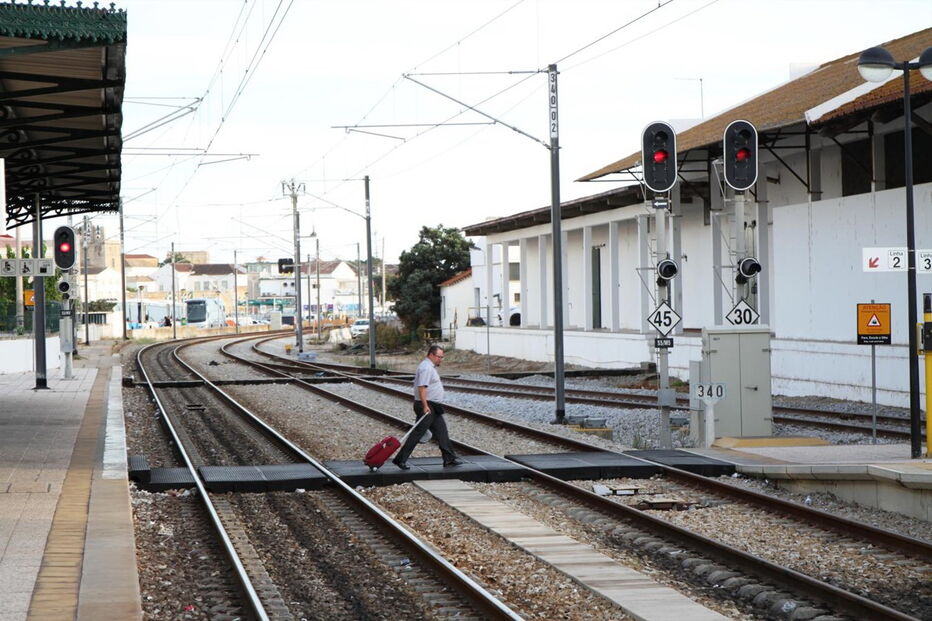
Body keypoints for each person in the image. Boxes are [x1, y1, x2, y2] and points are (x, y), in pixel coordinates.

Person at [392, 345, 462, 470]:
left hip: (434, 405)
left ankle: (449, 459)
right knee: (418, 433)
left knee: (442, 432)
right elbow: (422, 387)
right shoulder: (426, 368)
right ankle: (400, 459)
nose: (440, 359)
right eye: (439, 357)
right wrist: (425, 406)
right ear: (431, 355)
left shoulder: (430, 367)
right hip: (427, 405)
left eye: (442, 357)